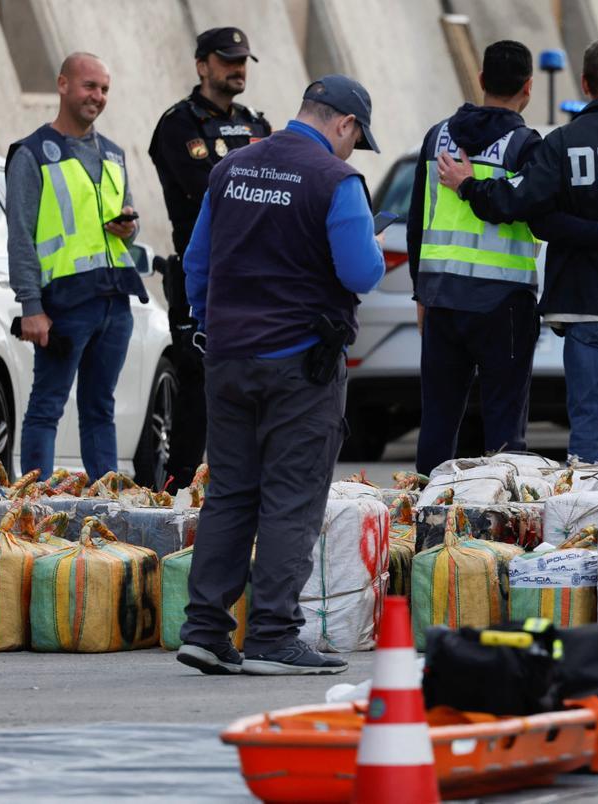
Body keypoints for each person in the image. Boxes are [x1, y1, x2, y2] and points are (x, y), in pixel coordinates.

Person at [176, 75, 385, 676]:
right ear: (343, 124)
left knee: (230, 494)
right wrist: (369, 238)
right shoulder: (335, 180)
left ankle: (206, 631)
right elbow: (360, 273)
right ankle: (271, 634)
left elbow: (198, 264)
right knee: (291, 497)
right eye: (354, 137)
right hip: (300, 366)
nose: (351, 150)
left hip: (229, 358)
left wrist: (214, 326)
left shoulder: (232, 168)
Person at [437, 37, 598, 465]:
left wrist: (468, 185)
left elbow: (524, 209)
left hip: (584, 306)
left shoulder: (561, 144)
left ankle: (586, 526)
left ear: (584, 83)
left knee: (585, 445)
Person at [6, 52, 146, 482]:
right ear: (63, 84)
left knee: (99, 408)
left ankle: (106, 509)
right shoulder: (32, 155)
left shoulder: (114, 154)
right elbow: (21, 238)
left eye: (104, 89)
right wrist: (31, 306)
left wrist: (129, 228)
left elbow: (125, 223)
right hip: (64, 303)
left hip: (113, 301)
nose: (98, 97)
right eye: (90, 86)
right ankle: (32, 511)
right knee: (47, 406)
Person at [148, 27, 272, 491]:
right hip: (206, 274)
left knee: (258, 388)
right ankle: (178, 494)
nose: (237, 68)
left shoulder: (255, 122)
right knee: (198, 393)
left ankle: (244, 489)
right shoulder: (180, 124)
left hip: (258, 277)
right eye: (227, 60)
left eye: (242, 60)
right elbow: (212, 191)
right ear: (202, 65)